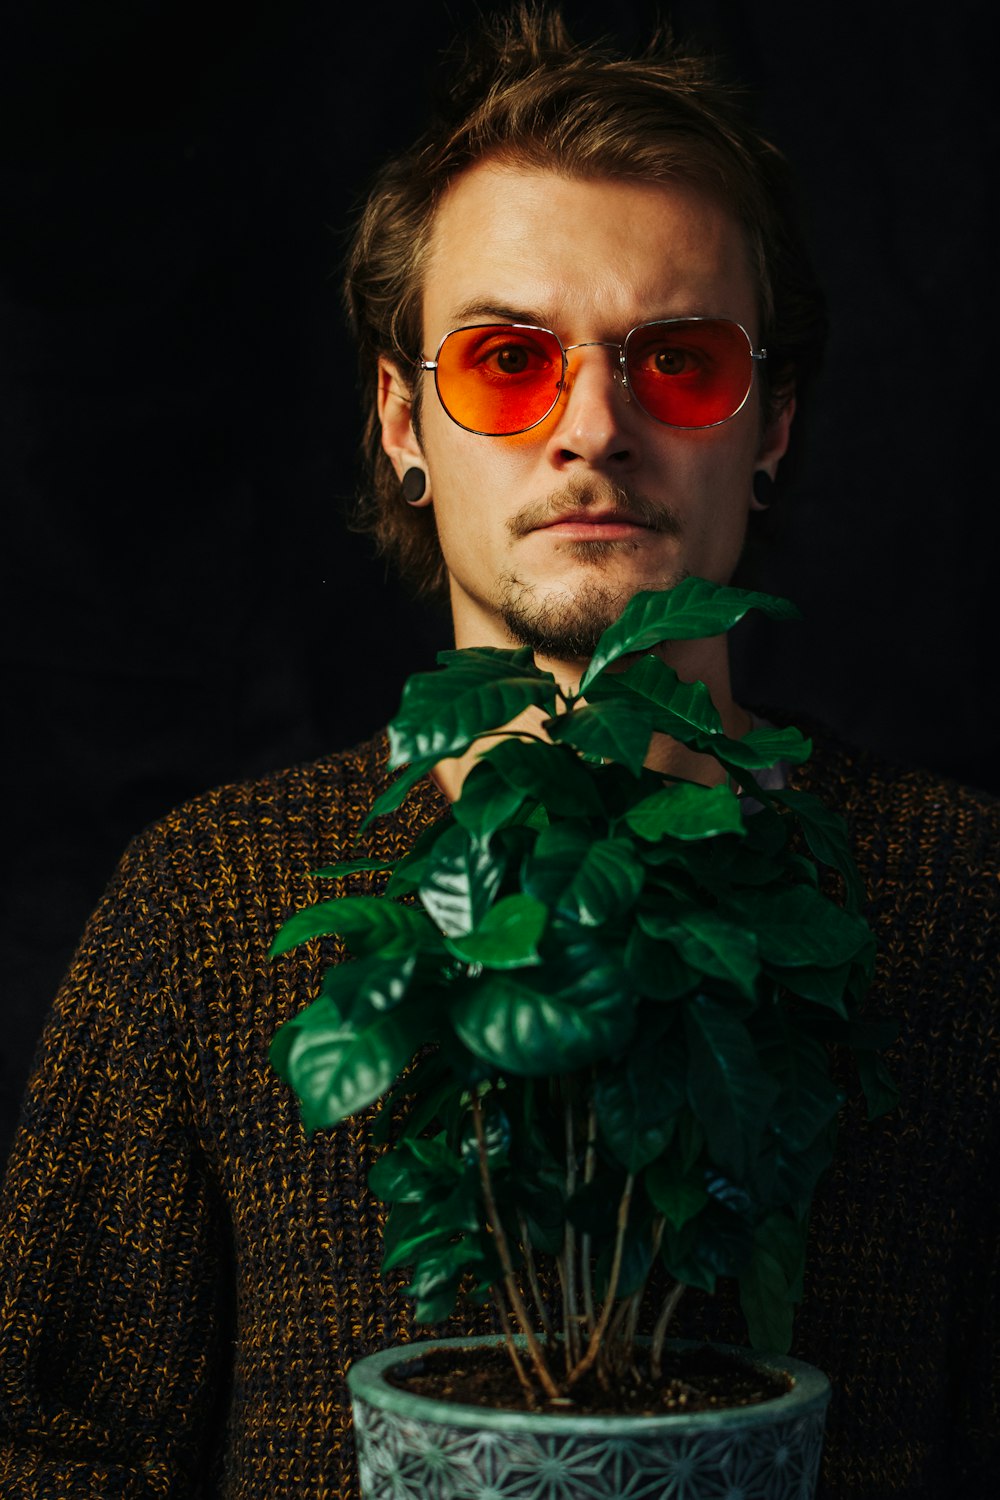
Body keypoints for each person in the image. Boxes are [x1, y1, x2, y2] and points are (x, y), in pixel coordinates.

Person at [0, 8, 996, 1498]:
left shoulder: (962, 901)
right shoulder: (206, 911)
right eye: (507, 361)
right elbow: (49, 1447)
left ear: (773, 421)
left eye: (680, 359)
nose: (592, 427)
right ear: (404, 419)